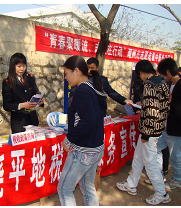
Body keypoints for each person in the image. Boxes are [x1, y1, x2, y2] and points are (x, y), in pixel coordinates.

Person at [116, 60, 171, 205]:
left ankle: (162, 193)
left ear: (141, 72)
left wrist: (146, 133)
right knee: (139, 156)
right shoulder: (162, 82)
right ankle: (131, 183)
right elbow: (159, 106)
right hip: (156, 127)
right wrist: (143, 104)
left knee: (149, 161)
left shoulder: (149, 84)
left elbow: (152, 111)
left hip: (149, 130)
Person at [57, 55, 107, 206]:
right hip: (95, 148)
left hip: (83, 150)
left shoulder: (82, 91)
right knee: (87, 187)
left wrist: (68, 139)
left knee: (64, 189)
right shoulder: (93, 88)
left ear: (76, 71)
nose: (66, 78)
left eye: (66, 73)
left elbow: (87, 120)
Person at [156, 58, 181, 189]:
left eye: (162, 74)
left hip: (177, 129)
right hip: (166, 126)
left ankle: (178, 179)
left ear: (168, 72)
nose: (162, 77)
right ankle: (158, 174)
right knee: (156, 149)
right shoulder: (169, 84)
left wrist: (171, 102)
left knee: (174, 156)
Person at [2, 53, 44, 133]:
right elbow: (6, 105)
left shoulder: (30, 79)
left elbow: (36, 93)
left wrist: (40, 101)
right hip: (19, 123)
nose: (22, 69)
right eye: (19, 66)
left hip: (33, 121)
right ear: (13, 66)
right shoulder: (7, 83)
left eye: (24, 66)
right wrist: (21, 105)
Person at [68, 57, 133, 108]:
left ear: (97, 68)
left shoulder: (102, 80)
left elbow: (111, 92)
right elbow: (73, 94)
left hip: (98, 110)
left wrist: (124, 100)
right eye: (88, 68)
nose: (89, 70)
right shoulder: (80, 79)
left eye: (92, 68)